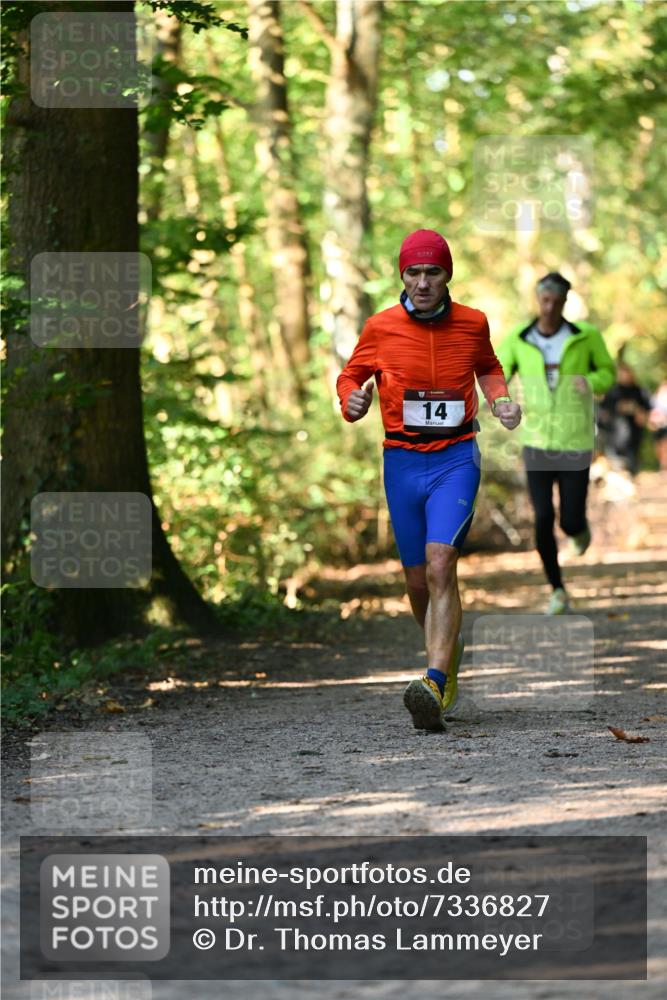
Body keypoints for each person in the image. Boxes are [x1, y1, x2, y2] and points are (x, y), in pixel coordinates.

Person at [337, 230, 521, 732]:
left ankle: (434, 681)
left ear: (447, 276)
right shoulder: (380, 327)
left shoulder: (472, 322)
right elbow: (351, 377)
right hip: (402, 461)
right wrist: (351, 399)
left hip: (455, 457)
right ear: (402, 275)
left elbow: (489, 366)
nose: (422, 283)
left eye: (432, 272)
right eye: (414, 273)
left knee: (443, 564)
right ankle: (449, 652)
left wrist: (500, 398)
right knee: (417, 579)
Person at [496, 272, 615, 615]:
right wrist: (503, 403)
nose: (549, 306)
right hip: (535, 439)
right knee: (543, 515)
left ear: (565, 301)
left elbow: (607, 372)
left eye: (556, 300)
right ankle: (557, 589)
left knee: (570, 519)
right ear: (538, 299)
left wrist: (590, 380)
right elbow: (496, 374)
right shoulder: (520, 337)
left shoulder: (585, 336)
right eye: (543, 299)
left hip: (575, 439)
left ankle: (579, 530)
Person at [598, 361, 651, 476]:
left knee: (632, 464)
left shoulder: (639, 391)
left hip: (634, 435)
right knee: (617, 464)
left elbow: (647, 409)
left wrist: (641, 413)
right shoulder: (612, 391)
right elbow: (603, 411)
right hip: (615, 435)